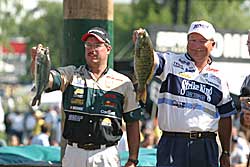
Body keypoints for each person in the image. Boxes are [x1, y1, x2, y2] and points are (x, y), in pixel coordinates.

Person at [31, 27, 142, 167]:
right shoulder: (71, 74)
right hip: (73, 152)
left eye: (97, 45)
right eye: (88, 45)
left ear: (108, 49)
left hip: (106, 154)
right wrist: (36, 61)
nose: (92, 49)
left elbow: (132, 122)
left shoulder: (123, 82)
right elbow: (46, 80)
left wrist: (133, 159)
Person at [132, 20, 237, 167]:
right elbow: (151, 59)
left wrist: (226, 152)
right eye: (193, 40)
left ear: (212, 45)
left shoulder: (220, 77)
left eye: (202, 41)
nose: (197, 46)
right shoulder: (170, 62)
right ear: (187, 41)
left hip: (206, 145)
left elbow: (226, 116)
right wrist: (140, 41)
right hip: (172, 143)